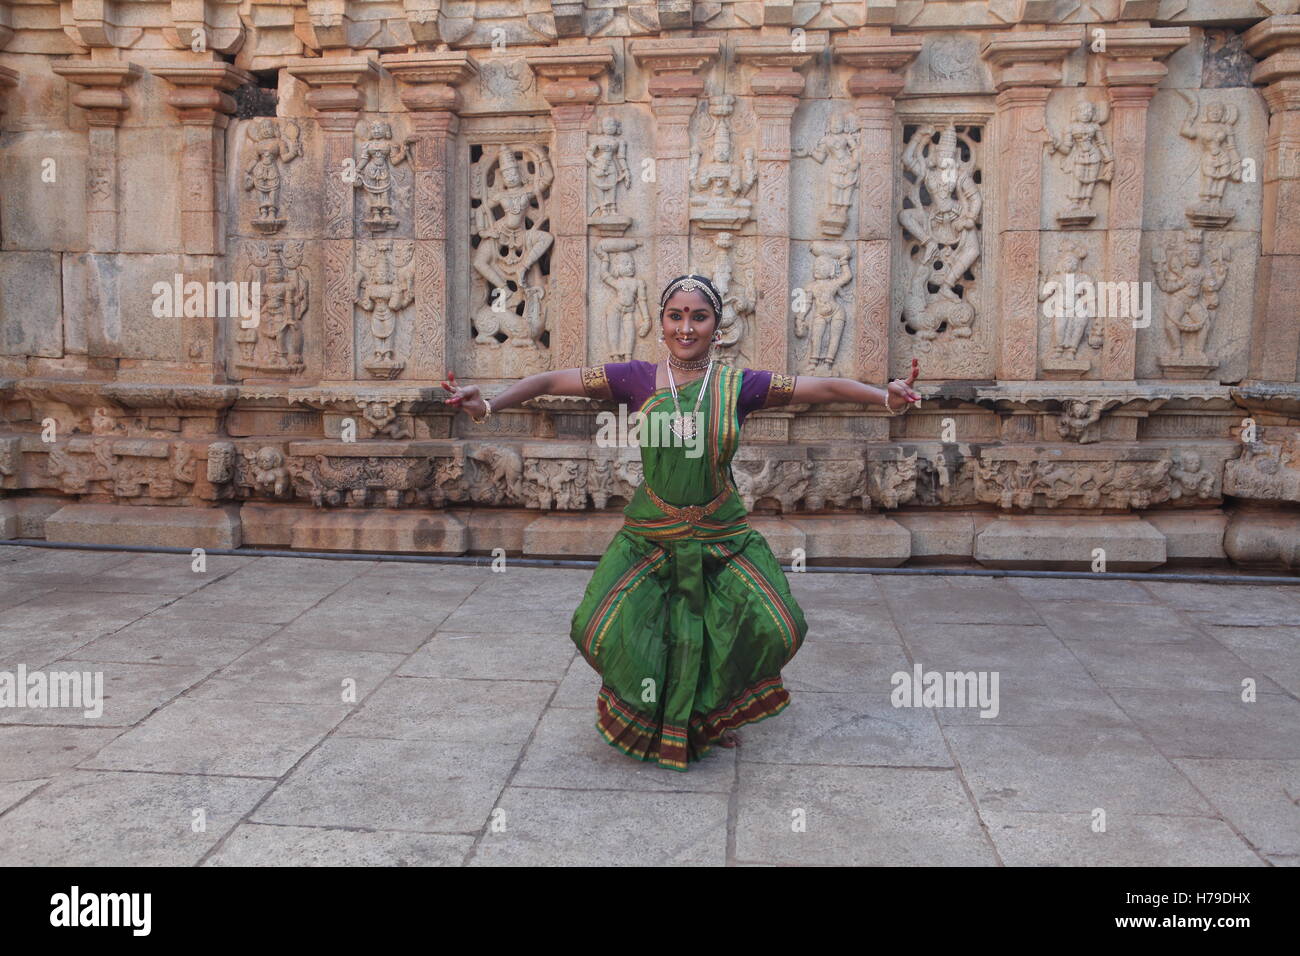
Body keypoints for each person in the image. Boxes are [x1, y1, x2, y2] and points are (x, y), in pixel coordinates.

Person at [441, 273, 921, 771]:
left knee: (776, 626)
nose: (686, 328)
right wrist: (490, 404)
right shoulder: (635, 379)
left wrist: (883, 397)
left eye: (699, 317)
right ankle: (656, 713)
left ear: (718, 327)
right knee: (601, 628)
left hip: (720, 532)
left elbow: (819, 387)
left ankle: (712, 712)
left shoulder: (740, 385)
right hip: (652, 531)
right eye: (676, 316)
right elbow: (548, 381)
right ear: (661, 322)